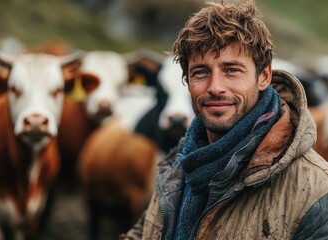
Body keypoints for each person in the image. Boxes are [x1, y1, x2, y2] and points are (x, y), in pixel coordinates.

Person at [120, 0, 328, 239]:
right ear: (187, 81)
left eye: (232, 70)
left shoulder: (316, 191)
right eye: (201, 72)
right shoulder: (179, 162)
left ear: (264, 76)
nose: (215, 87)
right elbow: (149, 229)